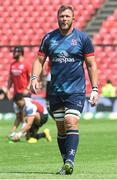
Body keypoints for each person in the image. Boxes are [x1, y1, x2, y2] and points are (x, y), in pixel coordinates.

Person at [30, 5, 98, 175]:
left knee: (70, 122)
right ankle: (66, 163)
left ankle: (70, 161)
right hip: (55, 91)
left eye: (67, 16)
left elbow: (91, 65)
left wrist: (95, 88)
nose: (64, 19)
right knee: (60, 128)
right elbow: (39, 60)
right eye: (62, 16)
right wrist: (34, 78)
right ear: (57, 18)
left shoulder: (83, 39)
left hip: (76, 91)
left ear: (73, 19)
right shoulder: (49, 38)